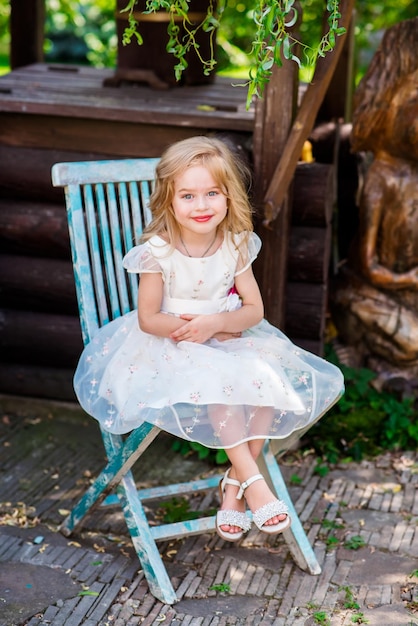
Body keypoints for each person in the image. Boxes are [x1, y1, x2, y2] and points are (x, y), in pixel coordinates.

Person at [74, 136, 344, 542]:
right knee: (220, 386)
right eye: (188, 196)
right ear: (169, 202)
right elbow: (149, 319)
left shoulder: (235, 245)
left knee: (268, 386)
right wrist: (198, 330)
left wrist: (217, 322)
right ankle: (253, 482)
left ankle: (234, 486)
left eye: (211, 193)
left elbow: (254, 310)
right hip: (170, 347)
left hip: (226, 336)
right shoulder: (158, 253)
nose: (201, 206)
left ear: (227, 196)